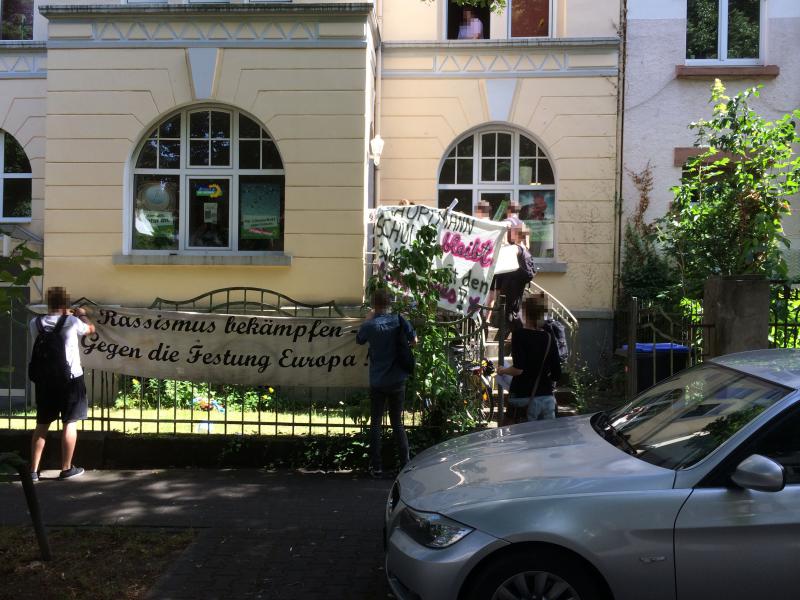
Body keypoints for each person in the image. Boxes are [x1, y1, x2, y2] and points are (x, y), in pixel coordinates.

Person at [29, 287, 95, 481]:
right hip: (71, 379)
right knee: (69, 423)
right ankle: (66, 468)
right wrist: (82, 315)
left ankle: (33, 470)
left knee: (42, 425)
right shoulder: (73, 322)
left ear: (49, 303)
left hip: (45, 381)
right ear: (66, 303)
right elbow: (91, 330)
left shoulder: (36, 323)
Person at [356, 288, 417, 477]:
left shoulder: (370, 325)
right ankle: (404, 464)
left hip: (378, 380)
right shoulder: (399, 320)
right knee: (397, 423)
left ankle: (376, 466)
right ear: (389, 303)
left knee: (376, 424)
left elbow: (359, 340)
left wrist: (368, 319)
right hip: (397, 378)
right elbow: (414, 340)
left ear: (374, 304)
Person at [497, 294, 561, 423]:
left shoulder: (519, 335)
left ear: (525, 312)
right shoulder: (548, 337)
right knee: (547, 441)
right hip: (546, 398)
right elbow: (557, 373)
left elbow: (518, 369)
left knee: (522, 441)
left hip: (523, 398)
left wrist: (502, 370)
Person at [489, 217, 536, 340]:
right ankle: (511, 333)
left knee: (508, 309)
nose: (511, 233)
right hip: (518, 284)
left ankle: (505, 336)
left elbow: (506, 255)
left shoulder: (516, 248)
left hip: (511, 283)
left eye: (513, 231)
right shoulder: (525, 248)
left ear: (516, 234)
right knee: (513, 308)